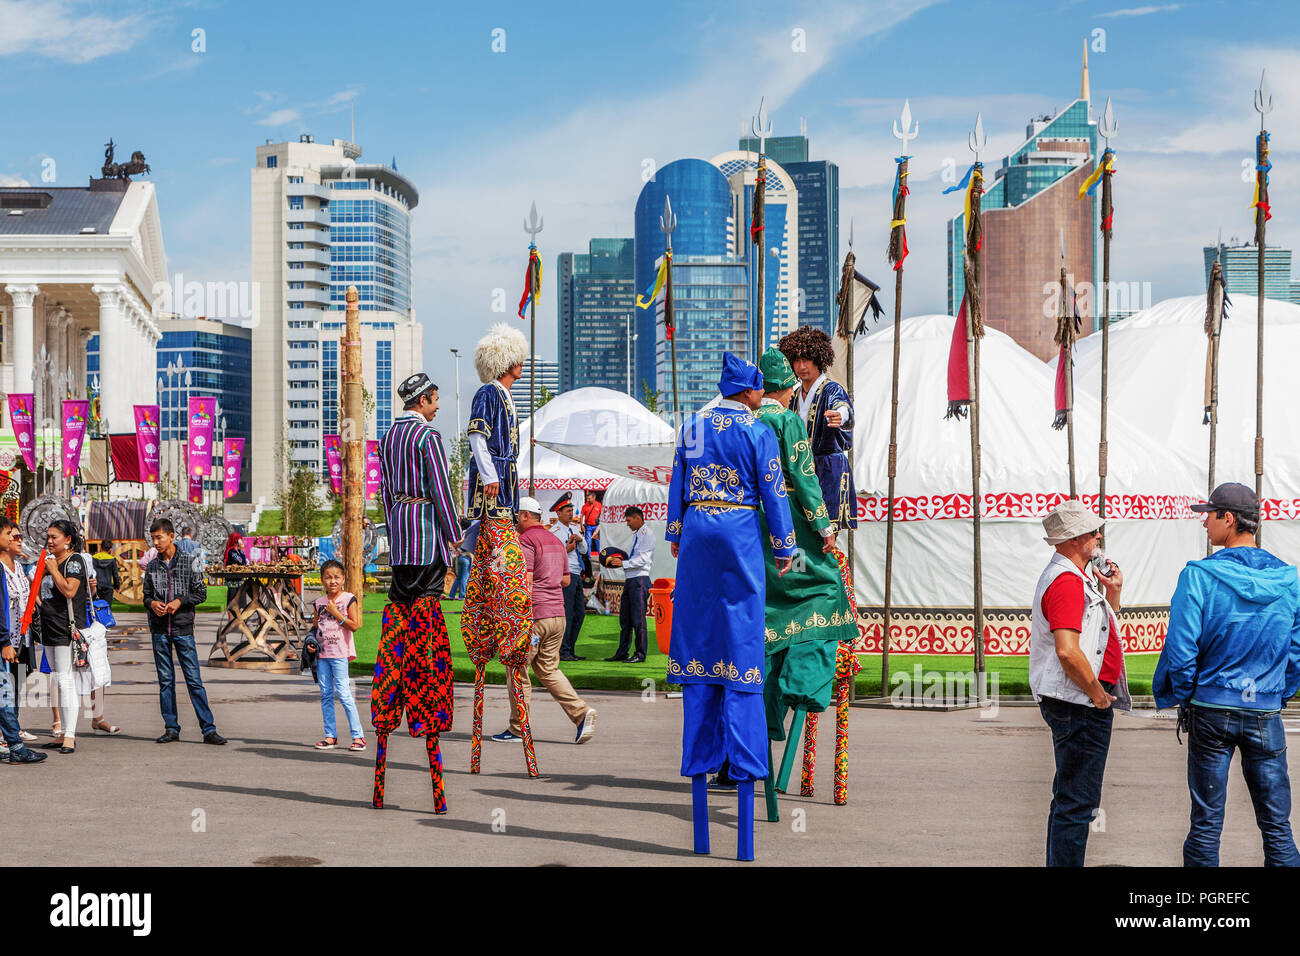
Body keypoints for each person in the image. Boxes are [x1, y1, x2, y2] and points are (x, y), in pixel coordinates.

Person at [665, 352, 796, 860]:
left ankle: (699, 681)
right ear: (747, 392)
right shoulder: (757, 430)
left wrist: (675, 532)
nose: (764, 397)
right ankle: (743, 794)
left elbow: (677, 479)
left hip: (698, 532)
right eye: (761, 390)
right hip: (739, 532)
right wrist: (784, 547)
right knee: (742, 630)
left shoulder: (693, 425)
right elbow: (773, 489)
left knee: (697, 623)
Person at [1153, 482, 1300, 867]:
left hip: (1212, 707)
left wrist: (1188, 695)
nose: (1204, 524)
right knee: (1277, 826)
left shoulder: (1199, 576)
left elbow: (1181, 649)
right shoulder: (1289, 580)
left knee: (1205, 824)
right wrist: (1277, 694)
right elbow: (1296, 652)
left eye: (1209, 515)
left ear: (1228, 519)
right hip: (1264, 710)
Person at [748, 348, 856, 800]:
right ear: (787, 385)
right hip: (791, 534)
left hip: (750, 537)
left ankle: (756, 727)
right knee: (829, 590)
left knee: (764, 622)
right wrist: (827, 529)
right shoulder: (788, 420)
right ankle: (805, 686)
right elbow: (805, 477)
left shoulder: (744, 423)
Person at [370, 371, 460, 812]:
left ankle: (395, 693)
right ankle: (426, 692)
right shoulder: (428, 438)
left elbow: (385, 492)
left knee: (399, 621)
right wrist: (455, 534)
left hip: (401, 542)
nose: (438, 406)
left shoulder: (387, 438)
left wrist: (396, 528)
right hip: (425, 538)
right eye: (435, 399)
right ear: (422, 400)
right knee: (426, 628)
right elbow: (441, 489)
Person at [1029, 499, 1129, 867]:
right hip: (1079, 704)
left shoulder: (1076, 578)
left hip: (1074, 701)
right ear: (1072, 539)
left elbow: (1093, 635)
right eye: (1091, 532)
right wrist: (1098, 695)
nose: (1098, 535)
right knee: (1077, 804)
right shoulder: (1067, 582)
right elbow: (1068, 651)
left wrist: (1113, 593)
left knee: (1071, 799)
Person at [461, 324, 535, 772]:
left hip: (503, 492)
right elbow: (476, 437)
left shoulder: (504, 396)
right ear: (512, 361)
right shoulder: (489, 393)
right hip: (495, 494)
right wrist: (489, 476)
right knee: (495, 566)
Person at [492, 497, 595, 745]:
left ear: (526, 516)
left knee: (517, 669)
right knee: (548, 669)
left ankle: (518, 728)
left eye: (519, 516)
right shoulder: (556, 540)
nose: (516, 520)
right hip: (557, 615)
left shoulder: (526, 540)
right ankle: (581, 713)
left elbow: (525, 580)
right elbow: (566, 581)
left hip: (535, 615)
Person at [143, 518, 226, 745]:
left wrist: (180, 601)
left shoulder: (191, 562)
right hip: (159, 630)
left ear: (171, 536)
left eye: (159, 537)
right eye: (153, 539)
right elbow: (146, 596)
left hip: (183, 629)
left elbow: (201, 593)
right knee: (165, 681)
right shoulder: (152, 566)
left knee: (194, 680)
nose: (156, 543)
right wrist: (152, 604)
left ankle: (208, 729)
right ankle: (171, 728)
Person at [778, 325, 857, 534]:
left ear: (819, 359)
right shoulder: (793, 394)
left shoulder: (832, 389)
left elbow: (843, 406)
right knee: (802, 532)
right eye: (796, 360)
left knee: (827, 534)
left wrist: (841, 416)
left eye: (807, 359)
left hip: (828, 469)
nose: (801, 366)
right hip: (801, 472)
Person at [34, 520, 92, 755]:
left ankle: (69, 735)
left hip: (66, 629)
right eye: (48, 536)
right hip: (48, 628)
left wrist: (54, 570)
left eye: (54, 537)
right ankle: (63, 734)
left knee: (66, 680)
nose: (49, 541)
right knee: (57, 680)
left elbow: (69, 590)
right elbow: (40, 596)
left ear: (67, 539)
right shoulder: (48, 562)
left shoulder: (74, 561)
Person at [0, 517, 45, 764]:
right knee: (4, 693)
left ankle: (11, 736)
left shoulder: (19, 568)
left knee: (14, 690)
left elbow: (30, 603)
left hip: (21, 639)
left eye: (18, 535)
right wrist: (5, 642)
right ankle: (14, 745)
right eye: (11, 534)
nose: (17, 539)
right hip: (5, 641)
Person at [312, 559, 365, 752]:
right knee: (325, 695)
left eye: (336, 577)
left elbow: (355, 625)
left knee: (344, 694)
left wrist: (336, 612)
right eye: (328, 577)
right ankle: (330, 736)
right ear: (322, 580)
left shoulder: (348, 598)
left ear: (343, 579)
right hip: (322, 655)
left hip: (340, 654)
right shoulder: (318, 603)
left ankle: (358, 736)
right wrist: (311, 644)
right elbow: (315, 628)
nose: (332, 581)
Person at [604, 507, 655, 663]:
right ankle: (623, 651)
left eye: (628, 520)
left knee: (638, 620)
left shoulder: (647, 535)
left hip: (640, 579)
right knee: (625, 619)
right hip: (632, 579)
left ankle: (640, 654)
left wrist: (623, 563)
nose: (627, 523)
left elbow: (643, 559)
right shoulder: (638, 534)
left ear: (638, 518)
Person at [549, 493, 588, 661]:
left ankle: (570, 648)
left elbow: (585, 551)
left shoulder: (574, 528)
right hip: (565, 573)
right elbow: (551, 555)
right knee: (568, 613)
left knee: (579, 613)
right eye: (567, 510)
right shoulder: (555, 531)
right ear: (558, 513)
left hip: (577, 572)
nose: (570, 513)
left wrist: (581, 540)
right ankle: (563, 650)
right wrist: (567, 549)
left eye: (571, 510)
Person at [447, 518, 477, 601]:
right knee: (465, 577)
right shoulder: (469, 534)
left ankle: (451, 595)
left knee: (458, 577)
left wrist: (456, 551)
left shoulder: (458, 534)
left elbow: (451, 543)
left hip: (459, 557)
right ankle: (462, 596)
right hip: (467, 557)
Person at [91, 539, 119, 605]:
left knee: (96, 607)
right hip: (108, 587)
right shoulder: (112, 559)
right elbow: (115, 574)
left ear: (101, 547)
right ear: (110, 549)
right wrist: (117, 586)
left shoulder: (93, 558)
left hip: (96, 586)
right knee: (107, 607)